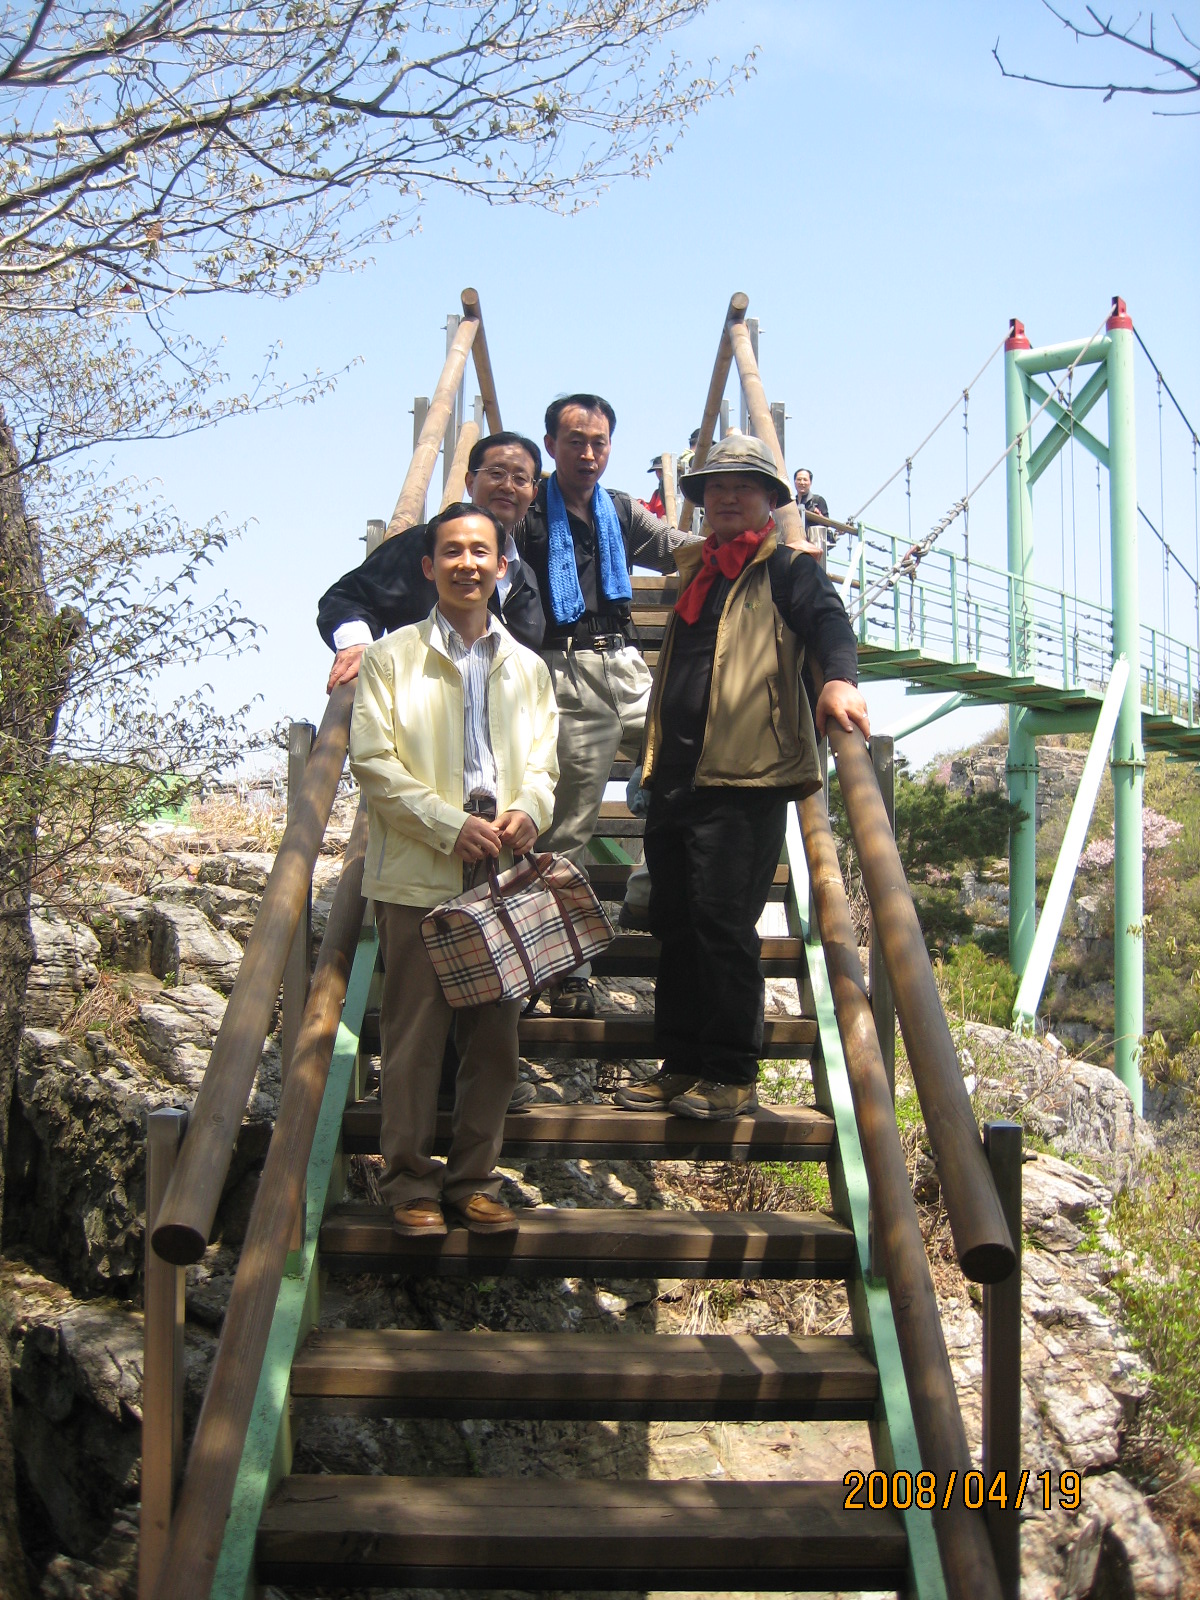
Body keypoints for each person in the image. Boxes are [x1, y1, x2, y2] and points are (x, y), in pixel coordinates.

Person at [614, 435, 869, 1122]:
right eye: (715, 487)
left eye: (742, 486)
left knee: (723, 925)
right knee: (673, 922)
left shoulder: (788, 568)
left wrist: (839, 681)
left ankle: (731, 1072)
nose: (726, 496)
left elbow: (830, 626)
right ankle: (680, 1063)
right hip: (675, 775)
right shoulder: (700, 570)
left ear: (768, 500)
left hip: (746, 780)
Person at [349, 503, 559, 1236]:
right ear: (428, 565)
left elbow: (544, 765)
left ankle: (474, 1180)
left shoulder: (528, 667)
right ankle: (408, 1181)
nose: (466, 563)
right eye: (451, 552)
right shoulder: (389, 657)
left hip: (500, 871)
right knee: (414, 1037)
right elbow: (373, 764)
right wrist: (448, 825)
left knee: (495, 1042)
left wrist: (529, 810)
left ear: (502, 566)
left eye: (480, 551)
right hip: (419, 869)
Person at [518, 393, 696, 1018]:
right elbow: (470, 546)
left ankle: (646, 890)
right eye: (575, 441)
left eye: (599, 442)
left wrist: (766, 551)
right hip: (561, 670)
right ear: (551, 445)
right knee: (568, 827)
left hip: (627, 664)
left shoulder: (617, 510)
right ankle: (567, 969)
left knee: (691, 769)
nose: (588, 453)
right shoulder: (529, 511)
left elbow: (679, 547)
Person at [318, 432, 546, 690]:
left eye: (520, 479)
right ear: (470, 482)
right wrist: (357, 645)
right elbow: (348, 598)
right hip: (417, 705)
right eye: (496, 473)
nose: (508, 486)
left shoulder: (527, 578)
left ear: (533, 493)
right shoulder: (423, 546)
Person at [794, 467, 830, 548]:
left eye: (805, 480)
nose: (802, 482)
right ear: (794, 482)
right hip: (796, 545)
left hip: (814, 545)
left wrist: (819, 516)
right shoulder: (792, 503)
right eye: (799, 479)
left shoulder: (818, 500)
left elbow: (827, 525)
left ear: (810, 482)